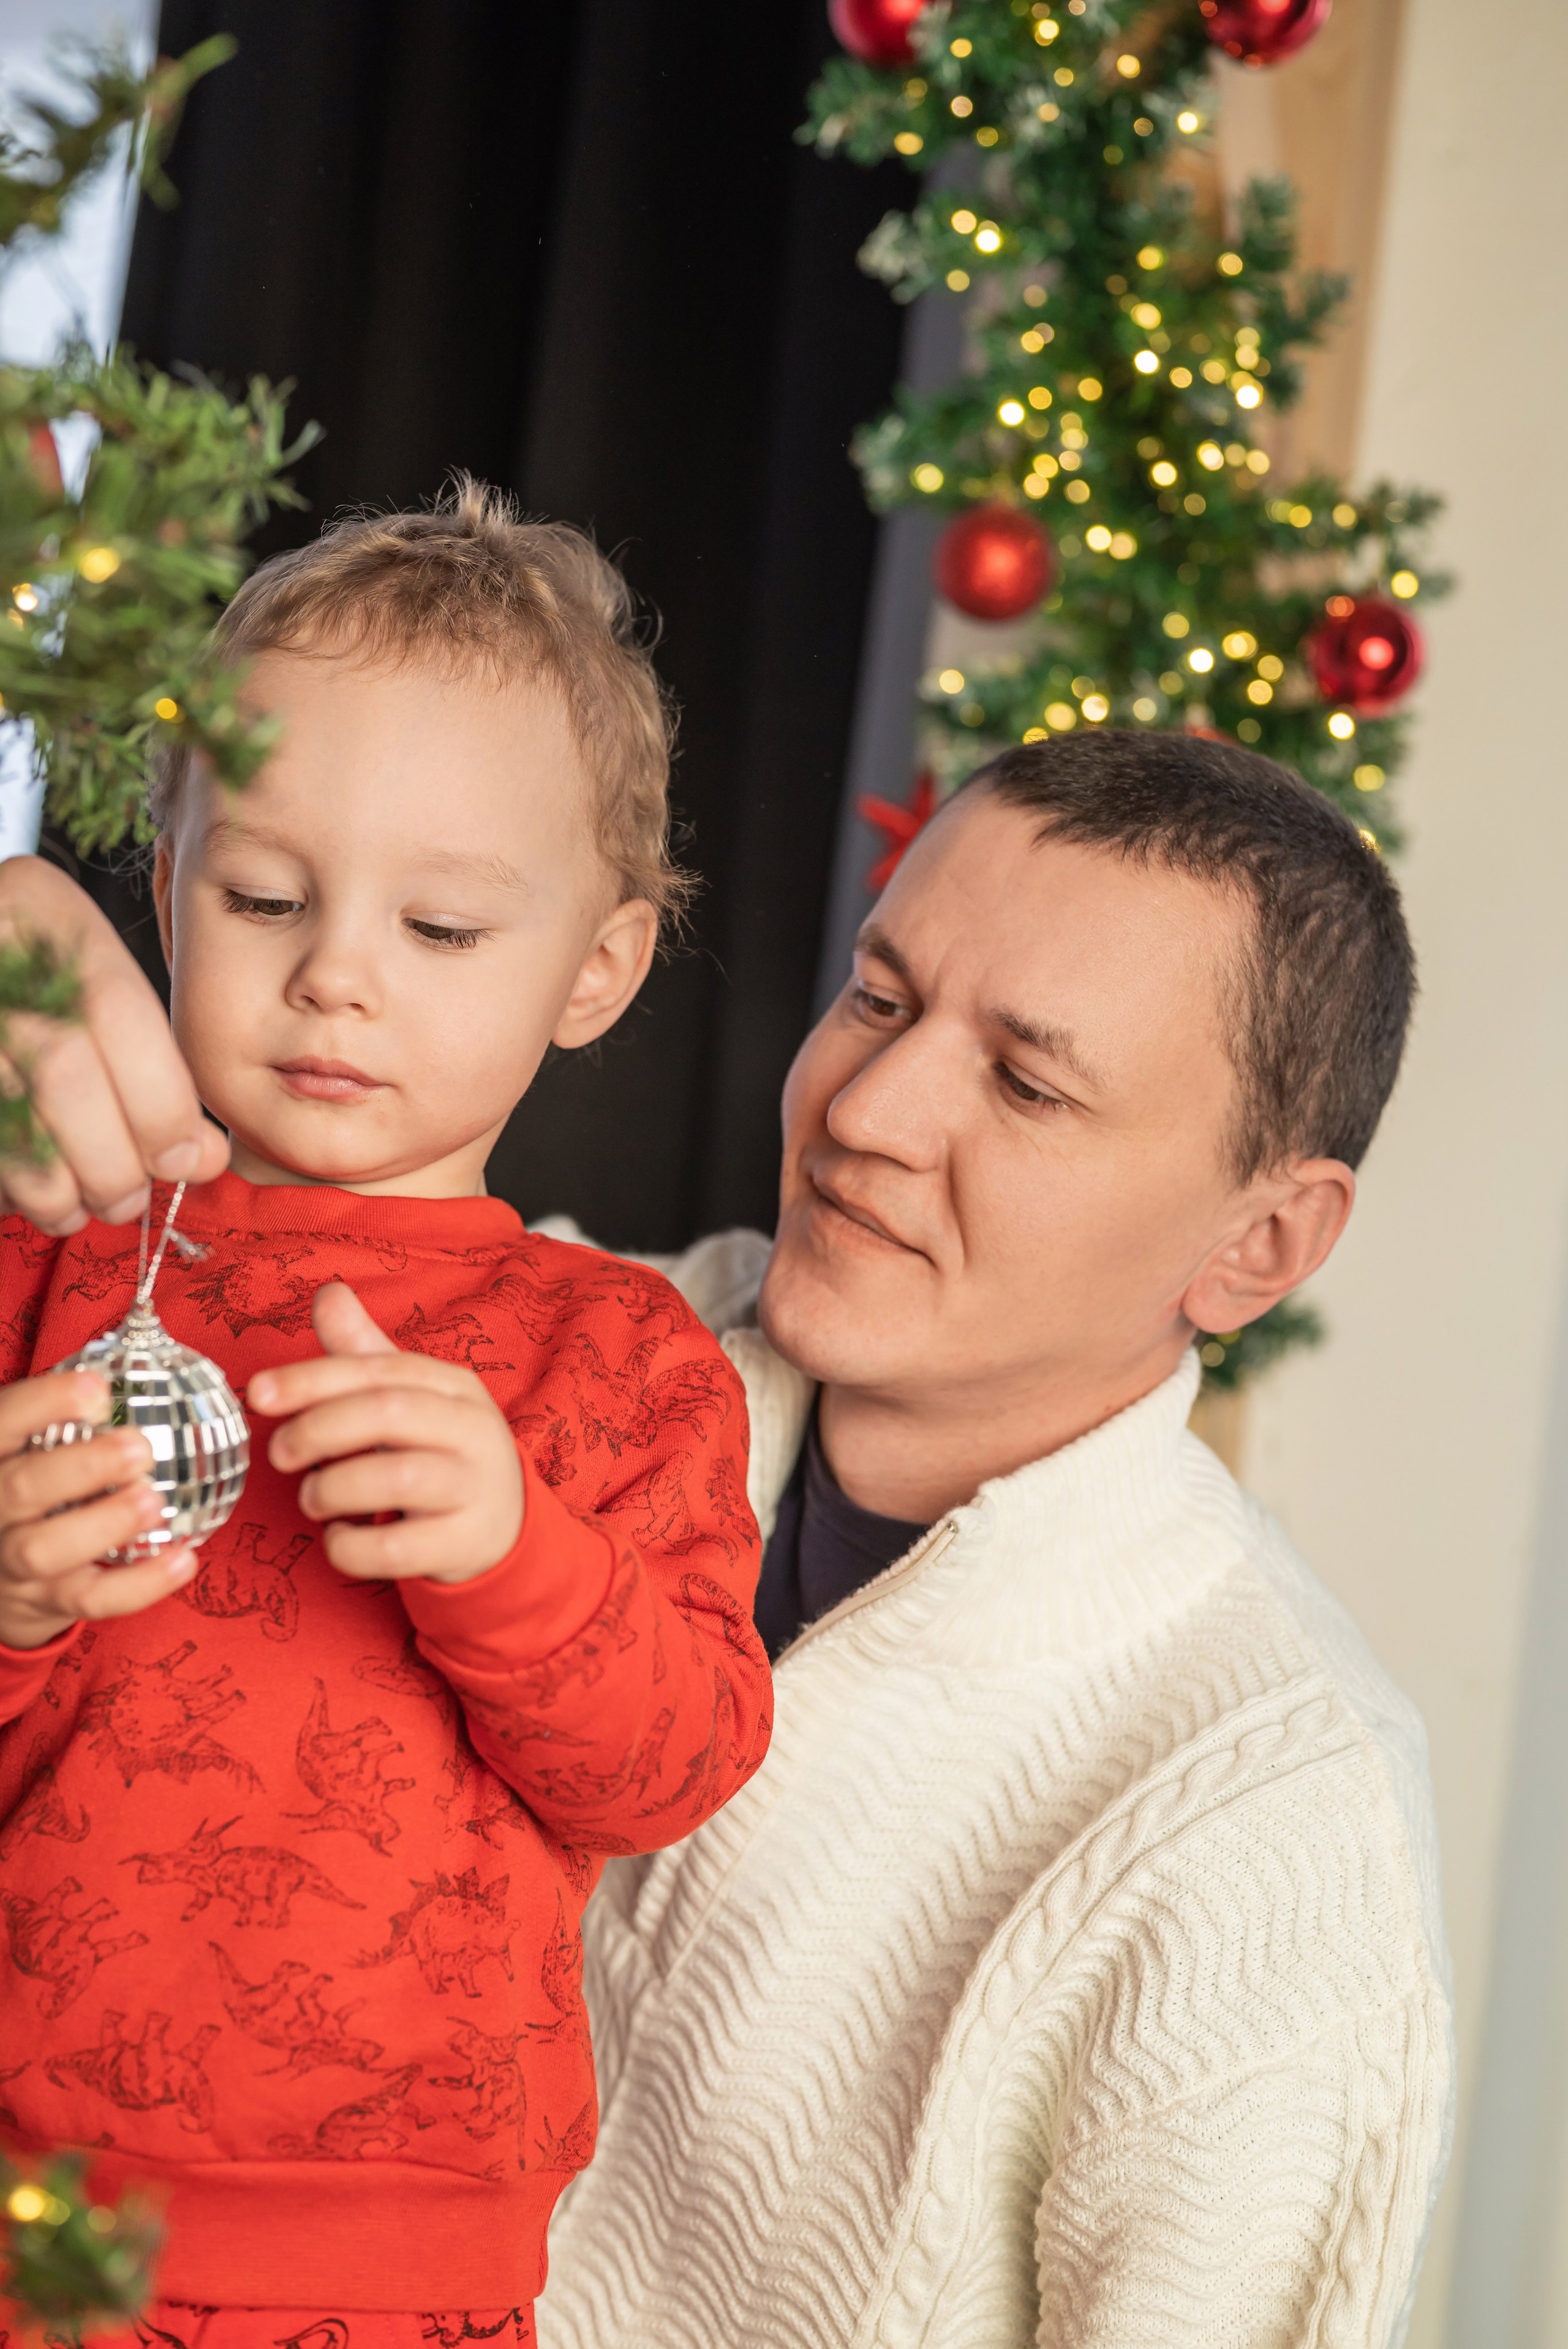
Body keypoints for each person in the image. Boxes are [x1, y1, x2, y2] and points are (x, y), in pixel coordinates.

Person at [537, 733, 1454, 2348]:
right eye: (879, 999)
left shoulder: (1276, 1846)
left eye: (1027, 1082)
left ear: (1260, 1242)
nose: (866, 1110)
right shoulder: (553, 1348)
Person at [0, 484, 771, 2342]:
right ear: (168, 884)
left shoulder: (622, 1354)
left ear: (594, 967)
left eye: (439, 925)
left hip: (393, 2279)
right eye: (267, 894)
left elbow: (677, 1762)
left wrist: (515, 1554)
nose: (335, 967)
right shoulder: (49, 1252)